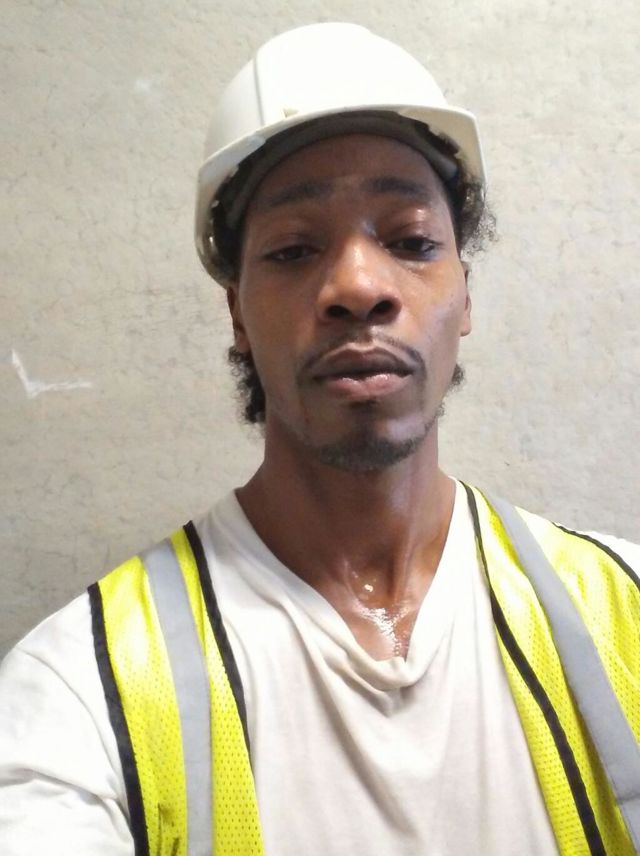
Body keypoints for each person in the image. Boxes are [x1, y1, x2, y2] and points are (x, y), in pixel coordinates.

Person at [1, 22, 639, 856]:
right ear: (237, 316)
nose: (358, 286)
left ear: (465, 297)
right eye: (296, 249)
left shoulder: (624, 611)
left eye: (411, 242)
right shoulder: (79, 691)